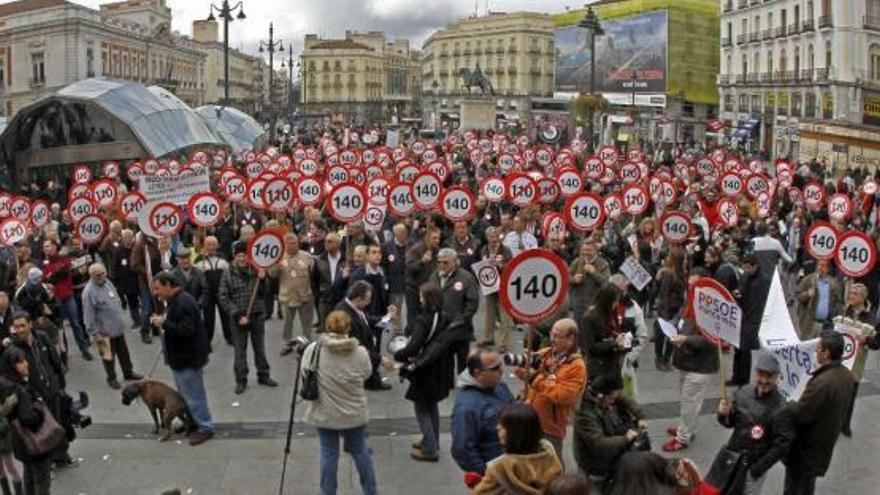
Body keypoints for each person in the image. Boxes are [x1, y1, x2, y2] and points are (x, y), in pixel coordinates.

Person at [301, 310, 377, 495]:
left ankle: (328, 492)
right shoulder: (360, 353)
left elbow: (305, 373)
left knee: (328, 454)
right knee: (360, 451)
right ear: (348, 329)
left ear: (327, 327)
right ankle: (370, 490)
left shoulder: (314, 349)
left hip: (325, 412)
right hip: (353, 413)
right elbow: (367, 373)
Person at [783, 331, 856, 495]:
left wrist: (789, 404)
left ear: (826, 353)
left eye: (818, 348)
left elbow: (801, 414)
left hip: (806, 449)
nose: (815, 352)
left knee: (795, 487)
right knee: (807, 487)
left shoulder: (823, 383)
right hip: (822, 446)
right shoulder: (846, 376)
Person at [393, 283, 456, 462]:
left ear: (427, 299)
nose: (419, 298)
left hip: (426, 369)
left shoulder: (424, 319)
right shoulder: (445, 317)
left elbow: (414, 346)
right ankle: (432, 441)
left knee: (421, 408)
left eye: (421, 296)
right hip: (440, 367)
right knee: (432, 405)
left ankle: (430, 449)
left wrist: (398, 354)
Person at [714, 354, 793, 495]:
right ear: (755, 373)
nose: (764, 380)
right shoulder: (743, 392)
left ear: (776, 378)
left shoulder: (781, 408)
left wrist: (756, 470)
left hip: (753, 465)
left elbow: (782, 445)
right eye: (761, 375)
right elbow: (731, 423)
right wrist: (723, 414)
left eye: (769, 377)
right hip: (734, 459)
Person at [150, 272, 214, 446]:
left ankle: (205, 427)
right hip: (180, 358)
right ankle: (192, 422)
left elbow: (186, 330)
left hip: (188, 358)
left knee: (194, 395)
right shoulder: (174, 301)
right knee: (185, 395)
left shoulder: (182, 302)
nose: (156, 293)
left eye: (158, 288)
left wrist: (163, 323)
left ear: (169, 285)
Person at [514, 318, 587, 461]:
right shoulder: (548, 353)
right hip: (531, 419)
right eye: (551, 334)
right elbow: (519, 370)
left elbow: (564, 395)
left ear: (571, 339)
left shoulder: (577, 366)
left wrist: (535, 378)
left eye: (557, 336)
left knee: (551, 470)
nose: (552, 339)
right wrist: (523, 361)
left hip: (550, 428)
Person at [218, 241, 278, 395]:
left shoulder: (256, 271)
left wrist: (264, 279)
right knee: (240, 350)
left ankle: (263, 375)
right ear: (234, 257)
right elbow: (223, 297)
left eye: (244, 255)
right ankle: (241, 380)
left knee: (260, 348)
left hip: (257, 315)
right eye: (238, 255)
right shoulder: (227, 273)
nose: (242, 258)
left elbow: (265, 293)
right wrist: (237, 315)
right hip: (238, 318)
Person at [572, 374, 647, 489]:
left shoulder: (602, 394)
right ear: (600, 396)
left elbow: (621, 397)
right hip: (594, 462)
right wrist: (626, 438)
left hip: (610, 451)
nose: (613, 402)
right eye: (611, 399)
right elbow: (599, 443)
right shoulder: (585, 416)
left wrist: (640, 416)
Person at [472, 403, 562, 495]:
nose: (497, 427)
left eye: (503, 426)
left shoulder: (499, 468)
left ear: (514, 433)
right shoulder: (549, 453)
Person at [663, 307, 721, 452]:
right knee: (687, 400)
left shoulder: (710, 311)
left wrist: (686, 339)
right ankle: (686, 429)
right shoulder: (689, 305)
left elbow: (711, 339)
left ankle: (682, 438)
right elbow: (682, 321)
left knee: (690, 402)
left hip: (700, 367)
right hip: (687, 362)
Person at [451, 348, 514, 475]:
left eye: (500, 365)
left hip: (512, 465)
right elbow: (462, 450)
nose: (501, 371)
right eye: (495, 368)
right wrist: (487, 473)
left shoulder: (500, 386)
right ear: (478, 373)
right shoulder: (467, 407)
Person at [80, 263, 142, 390]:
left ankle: (128, 372)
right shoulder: (88, 292)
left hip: (117, 328)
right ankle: (112, 378)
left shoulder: (107, 282)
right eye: (98, 275)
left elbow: (116, 297)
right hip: (103, 332)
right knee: (108, 357)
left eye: (103, 273)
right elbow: (88, 315)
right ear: (91, 275)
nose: (102, 277)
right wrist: (93, 333)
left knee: (124, 353)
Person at [0, 347, 52, 495]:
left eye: (24, 360)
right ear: (11, 365)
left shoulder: (5, 384)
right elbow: (29, 418)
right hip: (34, 441)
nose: (25, 364)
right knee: (41, 481)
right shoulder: (19, 389)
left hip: (18, 442)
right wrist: (40, 412)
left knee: (29, 477)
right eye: (20, 362)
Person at [335, 281, 394, 391]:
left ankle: (372, 381)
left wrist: (387, 318)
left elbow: (369, 321)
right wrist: (381, 359)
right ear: (358, 299)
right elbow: (358, 347)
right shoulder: (346, 317)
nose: (370, 302)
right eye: (368, 300)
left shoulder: (353, 307)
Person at [429, 248, 479, 374]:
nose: (441, 265)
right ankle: (447, 383)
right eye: (439, 262)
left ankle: (463, 382)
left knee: (462, 358)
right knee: (446, 358)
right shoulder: (434, 276)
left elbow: (472, 302)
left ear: (455, 262)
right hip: (442, 327)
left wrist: (462, 319)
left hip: (460, 328)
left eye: (445, 262)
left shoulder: (466, 277)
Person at [40, 240, 91, 360]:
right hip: (55, 300)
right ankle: (64, 354)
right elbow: (46, 280)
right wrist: (58, 274)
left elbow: (74, 272)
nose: (46, 248)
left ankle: (84, 350)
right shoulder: (43, 264)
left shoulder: (65, 259)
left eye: (48, 246)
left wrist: (80, 269)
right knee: (60, 327)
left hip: (68, 296)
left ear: (54, 247)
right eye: (44, 246)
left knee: (76, 323)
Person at [841, 283, 878, 436]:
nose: (850, 296)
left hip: (856, 363)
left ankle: (845, 424)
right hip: (839, 360)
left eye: (854, 294)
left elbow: (877, 343)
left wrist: (866, 341)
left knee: (850, 395)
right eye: (850, 293)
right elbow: (829, 328)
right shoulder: (843, 311)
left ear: (863, 297)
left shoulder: (871, 318)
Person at [730, 254, 770, 386]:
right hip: (741, 316)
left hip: (751, 319)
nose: (746, 270)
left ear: (755, 266)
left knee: (745, 351)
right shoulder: (745, 277)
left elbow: (757, 303)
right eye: (744, 267)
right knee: (738, 350)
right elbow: (741, 291)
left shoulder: (763, 281)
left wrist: (752, 321)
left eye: (748, 267)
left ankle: (744, 380)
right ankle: (736, 376)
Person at [275, 233, 315, 356]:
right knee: (287, 323)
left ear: (298, 243)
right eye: (289, 243)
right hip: (287, 296)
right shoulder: (279, 257)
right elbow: (271, 275)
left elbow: (314, 275)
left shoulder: (307, 256)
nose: (292, 246)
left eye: (294, 243)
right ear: (284, 244)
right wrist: (276, 268)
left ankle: (308, 345)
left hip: (305, 295)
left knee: (307, 323)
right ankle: (287, 344)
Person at [578, 283, 627, 383]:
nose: (617, 304)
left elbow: (611, 332)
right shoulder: (589, 318)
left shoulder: (609, 313)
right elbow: (591, 348)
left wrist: (620, 339)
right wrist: (614, 343)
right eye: (615, 301)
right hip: (599, 369)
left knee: (616, 395)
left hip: (612, 365)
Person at [478, 227, 514, 351]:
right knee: (489, 313)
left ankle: (503, 343)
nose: (493, 239)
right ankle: (488, 338)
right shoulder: (483, 249)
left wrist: (500, 265)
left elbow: (511, 266)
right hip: (490, 284)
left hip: (503, 285)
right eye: (491, 237)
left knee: (505, 315)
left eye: (495, 236)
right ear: (487, 238)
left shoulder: (506, 250)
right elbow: (481, 265)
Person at [193, 236, 232, 345]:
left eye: (213, 244)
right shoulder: (198, 260)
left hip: (222, 293)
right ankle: (207, 340)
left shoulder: (223, 258)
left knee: (226, 316)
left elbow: (229, 275)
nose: (211, 247)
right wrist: (201, 272)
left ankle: (229, 337)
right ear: (204, 246)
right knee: (208, 318)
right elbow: (196, 280)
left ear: (217, 245)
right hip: (207, 294)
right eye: (208, 244)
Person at [654, 248, 687, 372]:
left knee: (673, 334)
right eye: (684, 259)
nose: (686, 261)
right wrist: (665, 314)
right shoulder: (668, 274)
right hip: (667, 309)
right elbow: (664, 294)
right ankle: (659, 358)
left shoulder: (681, 273)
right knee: (661, 335)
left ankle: (667, 358)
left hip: (677, 308)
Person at [795, 259, 842, 340]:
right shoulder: (808, 280)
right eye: (819, 265)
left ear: (828, 269)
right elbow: (798, 295)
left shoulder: (834, 283)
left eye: (823, 266)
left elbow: (839, 302)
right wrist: (807, 294)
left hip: (827, 324)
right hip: (810, 323)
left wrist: (836, 315)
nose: (820, 268)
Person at [404, 227, 441, 326]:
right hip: (414, 289)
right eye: (434, 238)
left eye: (438, 238)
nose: (437, 241)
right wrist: (422, 261)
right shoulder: (416, 249)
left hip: (429, 291)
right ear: (427, 238)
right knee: (413, 317)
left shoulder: (439, 252)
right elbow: (409, 267)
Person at [311, 232, 347, 328]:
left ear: (338, 244)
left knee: (341, 327)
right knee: (326, 327)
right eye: (325, 241)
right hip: (325, 299)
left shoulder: (346, 260)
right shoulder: (319, 260)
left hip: (341, 298)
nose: (326, 243)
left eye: (330, 241)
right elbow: (314, 280)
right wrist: (320, 294)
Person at [569, 240, 611, 321]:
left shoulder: (603, 264)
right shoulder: (577, 261)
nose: (586, 253)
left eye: (589, 250)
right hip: (578, 306)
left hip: (594, 306)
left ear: (596, 250)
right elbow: (566, 278)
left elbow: (606, 283)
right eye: (584, 250)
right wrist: (574, 280)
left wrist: (594, 273)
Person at [381, 223, 408, 335]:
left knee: (406, 311)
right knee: (395, 310)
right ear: (395, 234)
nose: (403, 235)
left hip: (408, 283)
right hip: (394, 284)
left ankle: (405, 331)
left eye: (404, 233)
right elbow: (383, 265)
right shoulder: (386, 247)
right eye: (401, 233)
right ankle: (395, 333)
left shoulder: (410, 245)